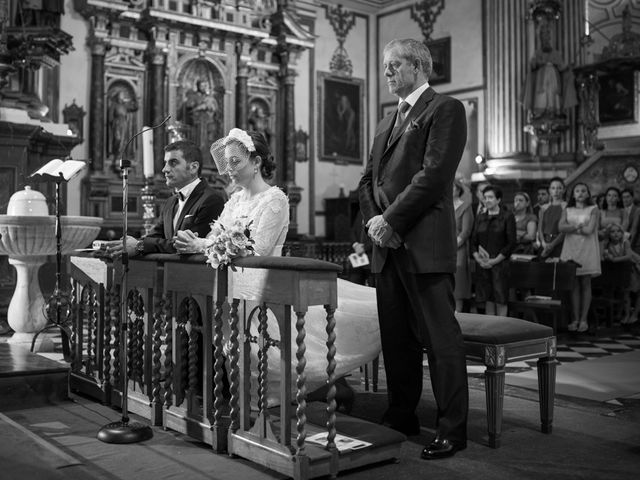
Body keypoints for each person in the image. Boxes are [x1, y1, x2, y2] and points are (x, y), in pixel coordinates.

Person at [174, 128, 382, 410]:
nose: (228, 169)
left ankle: (324, 389)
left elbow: (257, 250)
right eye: (227, 162)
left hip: (265, 290)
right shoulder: (234, 200)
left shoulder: (274, 200)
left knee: (270, 356)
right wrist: (196, 241)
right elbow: (215, 239)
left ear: (256, 162)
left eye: (235, 161)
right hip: (232, 290)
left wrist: (202, 246)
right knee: (240, 355)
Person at [358, 38, 469, 460]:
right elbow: (367, 180)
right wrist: (375, 224)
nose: (386, 72)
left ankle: (452, 429)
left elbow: (435, 174)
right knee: (397, 340)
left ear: (420, 66)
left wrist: (392, 222)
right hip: (387, 247)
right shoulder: (387, 120)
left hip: (423, 243)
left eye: (394, 65)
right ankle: (401, 414)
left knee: (440, 341)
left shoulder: (445, 109)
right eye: (385, 66)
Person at [108, 140, 225, 257]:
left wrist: (140, 245)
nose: (165, 169)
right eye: (165, 163)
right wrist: (130, 244)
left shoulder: (212, 199)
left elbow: (187, 245)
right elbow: (155, 236)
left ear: (193, 167)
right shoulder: (171, 201)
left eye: (173, 163)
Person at [559, 182, 601, 333]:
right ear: (573, 194)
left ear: (588, 193)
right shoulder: (567, 209)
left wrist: (572, 228)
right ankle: (575, 319)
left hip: (587, 248)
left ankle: (584, 320)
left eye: (584, 190)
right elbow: (561, 227)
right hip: (571, 248)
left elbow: (590, 230)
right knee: (574, 284)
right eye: (577, 191)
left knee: (585, 283)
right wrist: (578, 226)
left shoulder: (593, 209)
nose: (580, 193)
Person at [471, 185, 517, 317]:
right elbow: (473, 241)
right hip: (483, 264)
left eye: (490, 197)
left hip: (500, 264)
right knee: (488, 299)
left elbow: (511, 243)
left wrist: (495, 261)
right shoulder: (480, 217)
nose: (487, 200)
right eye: (485, 197)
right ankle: (489, 332)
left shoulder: (507, 217)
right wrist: (479, 259)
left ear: (498, 199)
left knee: (500, 298)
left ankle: (501, 332)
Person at [601, 223, 640, 325]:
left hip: (633, 269)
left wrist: (614, 259)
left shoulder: (625, 243)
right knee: (625, 293)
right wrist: (606, 255)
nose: (616, 234)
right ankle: (626, 314)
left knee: (635, 290)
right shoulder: (607, 244)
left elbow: (628, 256)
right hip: (619, 272)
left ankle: (634, 314)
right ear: (609, 234)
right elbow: (604, 255)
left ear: (622, 233)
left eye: (618, 231)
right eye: (613, 232)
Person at [453, 179, 473, 312]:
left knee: (458, 281)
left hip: (458, 249)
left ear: (458, 189)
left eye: (452, 187)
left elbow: (466, 231)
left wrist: (453, 245)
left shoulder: (466, 206)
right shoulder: (445, 206)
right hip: (444, 249)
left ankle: (458, 312)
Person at [538, 177, 566, 259]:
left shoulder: (566, 207)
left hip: (559, 243)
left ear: (564, 190)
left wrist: (552, 245)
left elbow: (564, 231)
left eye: (559, 188)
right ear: (549, 190)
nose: (556, 191)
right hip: (544, 243)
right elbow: (540, 228)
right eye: (553, 188)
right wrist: (543, 242)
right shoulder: (543, 208)